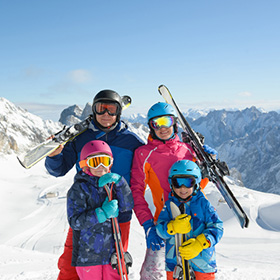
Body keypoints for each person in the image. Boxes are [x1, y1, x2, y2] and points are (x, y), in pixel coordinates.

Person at [45, 89, 144, 280]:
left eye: (111, 109)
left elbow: (154, 160)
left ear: (118, 112)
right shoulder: (81, 138)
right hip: (86, 212)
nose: (106, 114)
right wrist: (54, 156)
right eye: (101, 109)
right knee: (70, 264)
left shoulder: (132, 141)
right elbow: (59, 169)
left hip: (118, 214)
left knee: (114, 266)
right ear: (94, 110)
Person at [130, 102, 216, 279]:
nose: (162, 127)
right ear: (150, 127)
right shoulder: (143, 153)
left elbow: (196, 186)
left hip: (196, 221)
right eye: (156, 123)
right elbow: (136, 192)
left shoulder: (188, 149)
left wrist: (210, 164)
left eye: (166, 121)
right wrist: (147, 226)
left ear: (174, 123)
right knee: (152, 274)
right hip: (165, 223)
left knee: (200, 272)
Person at [67, 140, 134, 280]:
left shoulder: (113, 184)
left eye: (105, 161)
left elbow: (127, 207)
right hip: (87, 257)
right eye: (95, 162)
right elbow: (75, 222)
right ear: (86, 165)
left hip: (112, 256)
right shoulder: (79, 189)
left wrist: (121, 183)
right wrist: (101, 214)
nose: (101, 166)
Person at [156, 160, 224, 280]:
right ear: (171, 183)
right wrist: (172, 227)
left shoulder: (204, 204)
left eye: (188, 182)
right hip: (176, 265)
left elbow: (217, 227)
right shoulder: (169, 206)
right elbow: (160, 230)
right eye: (177, 182)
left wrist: (200, 243)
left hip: (202, 265)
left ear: (196, 183)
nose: (183, 188)